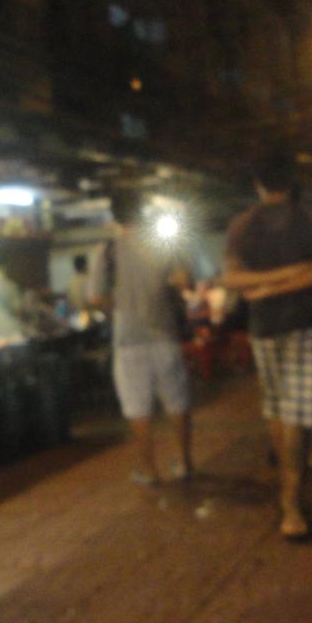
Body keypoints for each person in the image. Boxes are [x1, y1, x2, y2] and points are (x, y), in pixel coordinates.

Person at [224, 151, 312, 540]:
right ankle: (291, 507)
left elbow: (232, 279)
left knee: (276, 409)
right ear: (291, 182)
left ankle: (288, 497)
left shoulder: (241, 224)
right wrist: (292, 273)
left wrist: (266, 288)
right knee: (296, 416)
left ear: (257, 184)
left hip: (263, 328)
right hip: (304, 326)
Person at [88, 189, 194, 485]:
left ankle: (150, 471)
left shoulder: (105, 250)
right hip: (165, 332)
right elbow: (185, 281)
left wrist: (118, 308)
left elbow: (96, 297)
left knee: (137, 408)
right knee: (177, 401)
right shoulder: (162, 244)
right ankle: (185, 463)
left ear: (114, 217)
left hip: (128, 339)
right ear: (143, 213)